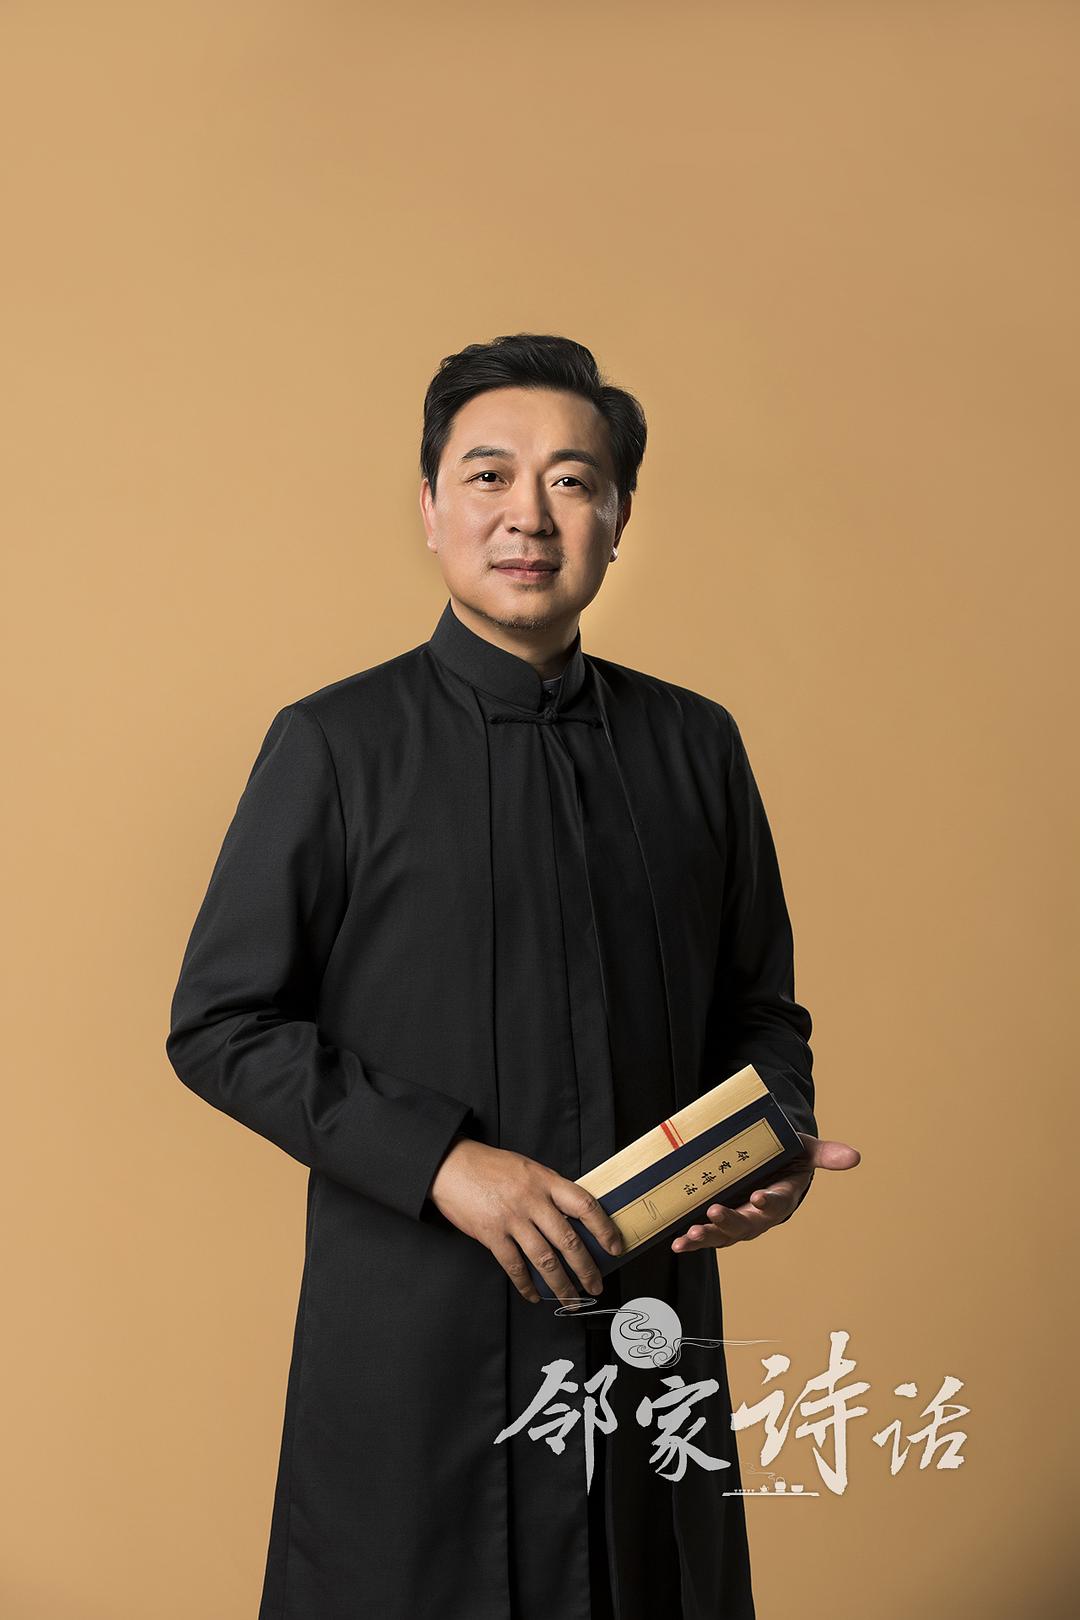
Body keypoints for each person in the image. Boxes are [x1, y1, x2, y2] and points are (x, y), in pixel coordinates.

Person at [166, 332, 859, 1620]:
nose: (529, 515)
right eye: (489, 475)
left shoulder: (696, 746)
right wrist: (440, 1162)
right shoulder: (335, 744)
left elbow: (760, 1011)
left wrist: (769, 1147)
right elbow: (221, 1022)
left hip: (644, 1330)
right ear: (431, 507)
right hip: (416, 1342)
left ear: (619, 519)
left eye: (573, 481)